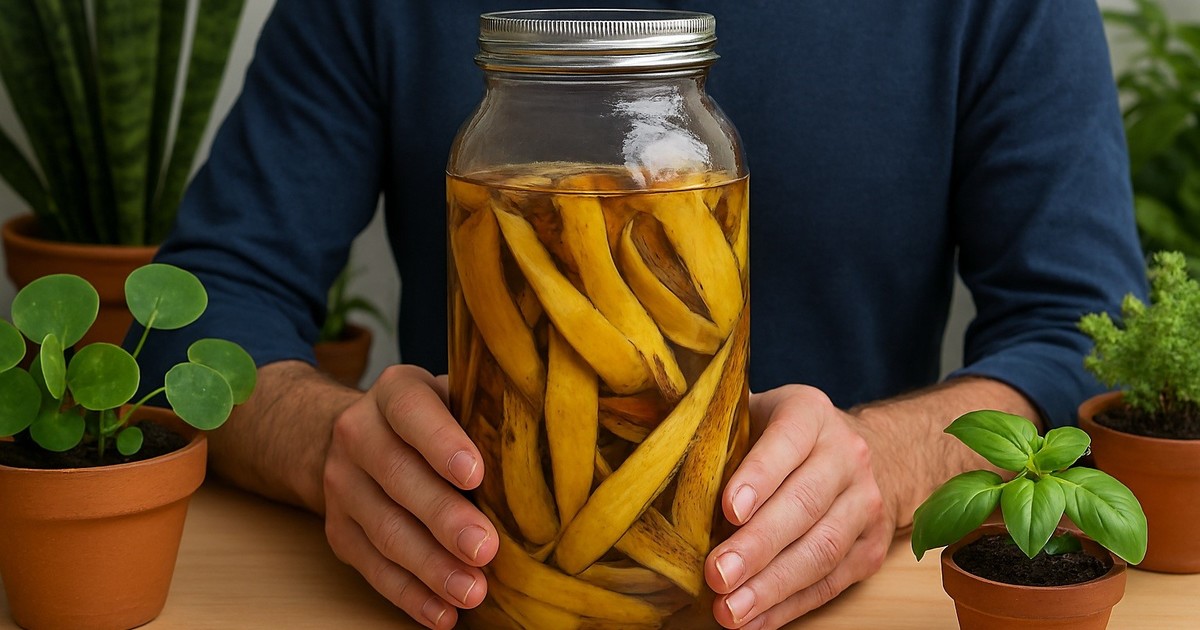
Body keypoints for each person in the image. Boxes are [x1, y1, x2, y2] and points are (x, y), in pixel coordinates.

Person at [135, 1, 1147, 628]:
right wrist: (330, 445)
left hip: (841, 605)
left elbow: (1091, 337)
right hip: (487, 583)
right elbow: (196, 311)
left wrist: (892, 464)